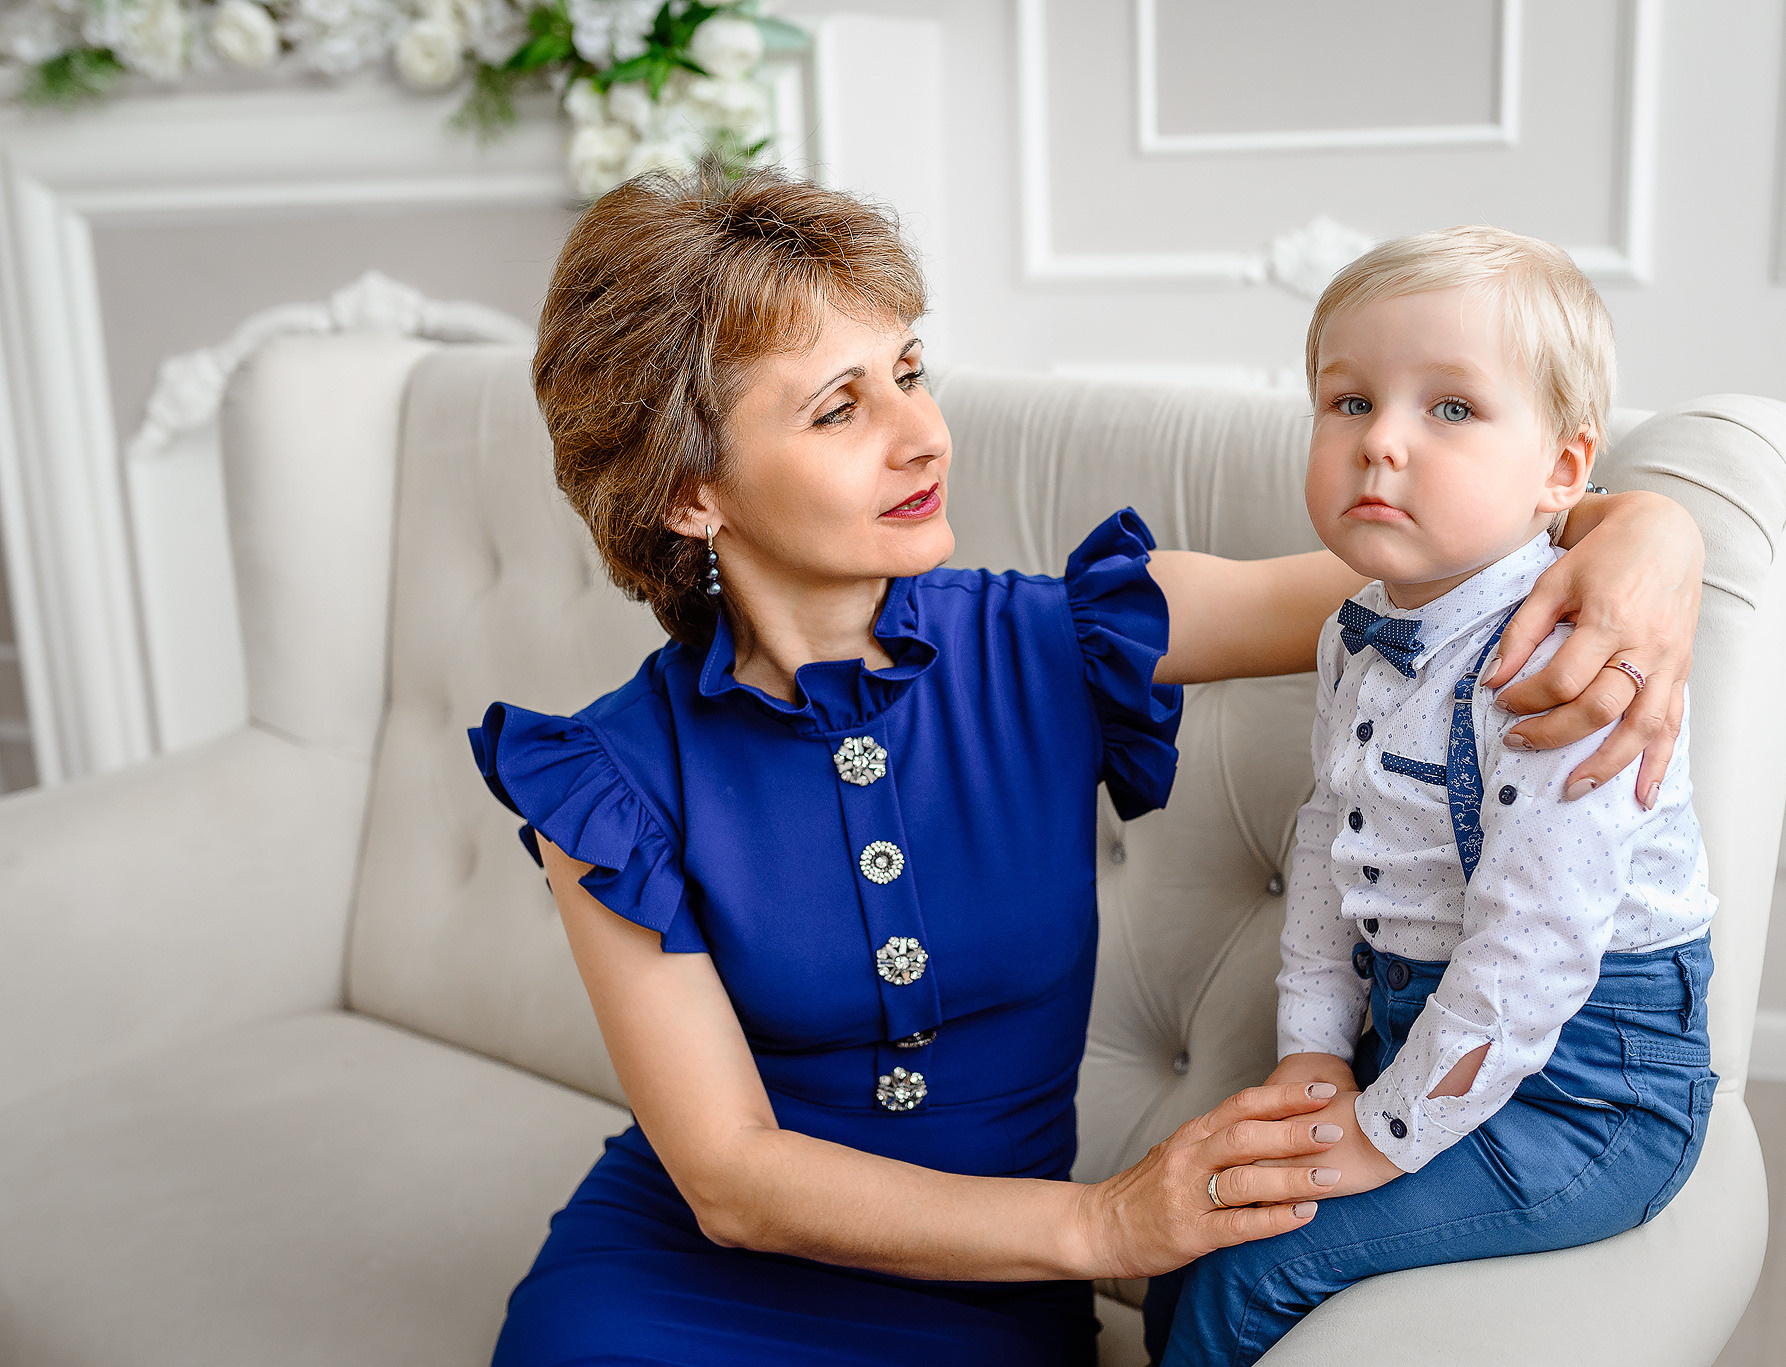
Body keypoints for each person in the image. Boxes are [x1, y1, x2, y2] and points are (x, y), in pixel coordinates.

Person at [469, 167, 1707, 1367]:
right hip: (686, 1281)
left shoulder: (1063, 636)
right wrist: (1106, 1225)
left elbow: (1454, 564)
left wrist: (1653, 529)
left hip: (978, 1297)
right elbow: (730, 1180)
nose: (921, 436)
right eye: (840, 408)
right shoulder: (603, 785)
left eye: (909, 373)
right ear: (691, 492)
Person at [1144, 226, 1721, 1366]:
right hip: (1425, 1028)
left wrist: (1382, 1132)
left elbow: (1533, 947)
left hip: (1587, 1084)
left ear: (1563, 470)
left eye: (1451, 407)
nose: (1381, 442)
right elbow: (1326, 838)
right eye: (1349, 402)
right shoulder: (1354, 631)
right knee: (1192, 1223)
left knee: (1251, 1264)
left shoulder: (1555, 662)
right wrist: (1313, 1048)